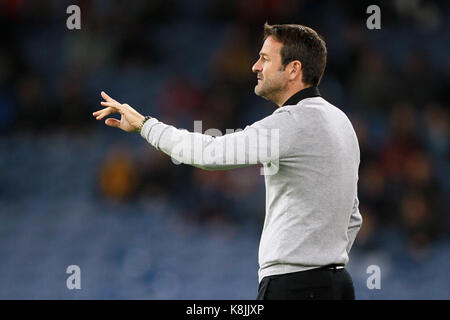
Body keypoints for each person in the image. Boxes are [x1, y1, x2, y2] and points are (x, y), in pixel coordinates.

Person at [93, 23, 362, 300]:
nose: (255, 66)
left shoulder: (292, 123)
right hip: (338, 284)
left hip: (295, 286)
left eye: (265, 59)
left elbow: (210, 154)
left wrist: (145, 126)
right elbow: (352, 215)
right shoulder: (341, 123)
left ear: (293, 69)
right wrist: (327, 262)